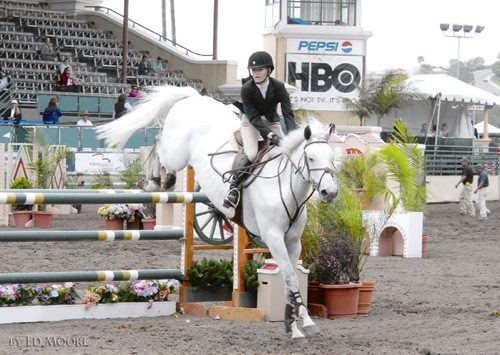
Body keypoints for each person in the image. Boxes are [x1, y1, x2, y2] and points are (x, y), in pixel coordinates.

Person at [223, 51, 297, 209]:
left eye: (260, 69)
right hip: (251, 122)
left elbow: (287, 113)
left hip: (271, 121)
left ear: (269, 70)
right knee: (251, 153)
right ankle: (234, 188)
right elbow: (254, 118)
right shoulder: (247, 89)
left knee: (287, 150)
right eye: (253, 70)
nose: (256, 73)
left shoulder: (278, 86)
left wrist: (293, 136)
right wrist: (270, 136)